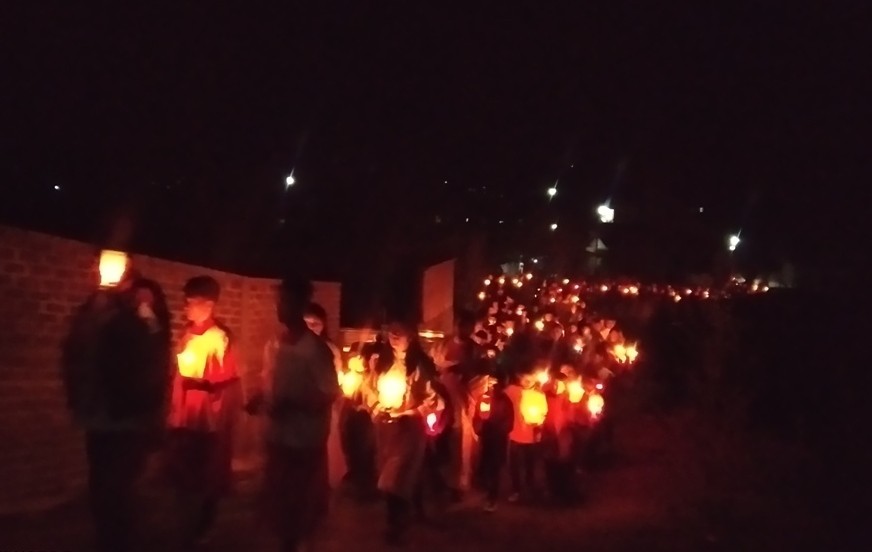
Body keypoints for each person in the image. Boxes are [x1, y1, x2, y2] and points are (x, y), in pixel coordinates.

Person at [61, 257, 171, 552]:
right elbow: (76, 349)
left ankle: (121, 540)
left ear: (128, 282)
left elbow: (153, 352)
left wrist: (141, 311)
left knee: (118, 487)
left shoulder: (138, 317)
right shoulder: (94, 310)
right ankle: (108, 538)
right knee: (101, 483)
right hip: (98, 413)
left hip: (127, 416)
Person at [247, 276, 339, 552]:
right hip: (278, 437)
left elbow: (329, 394)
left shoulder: (315, 350)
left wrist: (293, 404)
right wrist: (259, 398)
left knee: (299, 507)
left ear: (300, 305)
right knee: (279, 504)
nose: (279, 307)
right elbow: (271, 383)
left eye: (284, 301)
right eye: (279, 300)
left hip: (303, 441)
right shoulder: (274, 345)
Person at [165, 276, 242, 549]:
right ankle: (185, 522)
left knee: (207, 473)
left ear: (208, 304)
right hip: (185, 414)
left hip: (207, 420)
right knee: (185, 473)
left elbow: (228, 381)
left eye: (191, 303)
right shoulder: (188, 333)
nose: (186, 308)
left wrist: (203, 385)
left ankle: (204, 523)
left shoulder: (219, 338)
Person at [362, 321, 441, 545]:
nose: (394, 336)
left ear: (411, 336)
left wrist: (409, 412)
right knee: (392, 476)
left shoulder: (419, 366)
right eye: (391, 333)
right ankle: (407, 513)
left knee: (396, 477)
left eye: (400, 332)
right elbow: (369, 390)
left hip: (409, 429)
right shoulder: (379, 362)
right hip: (386, 429)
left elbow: (431, 399)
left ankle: (395, 523)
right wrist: (378, 408)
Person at [303, 302, 348, 492]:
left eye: (316, 323)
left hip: (322, 406)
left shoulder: (329, 349)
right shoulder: (294, 346)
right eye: (307, 323)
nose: (312, 328)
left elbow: (336, 378)